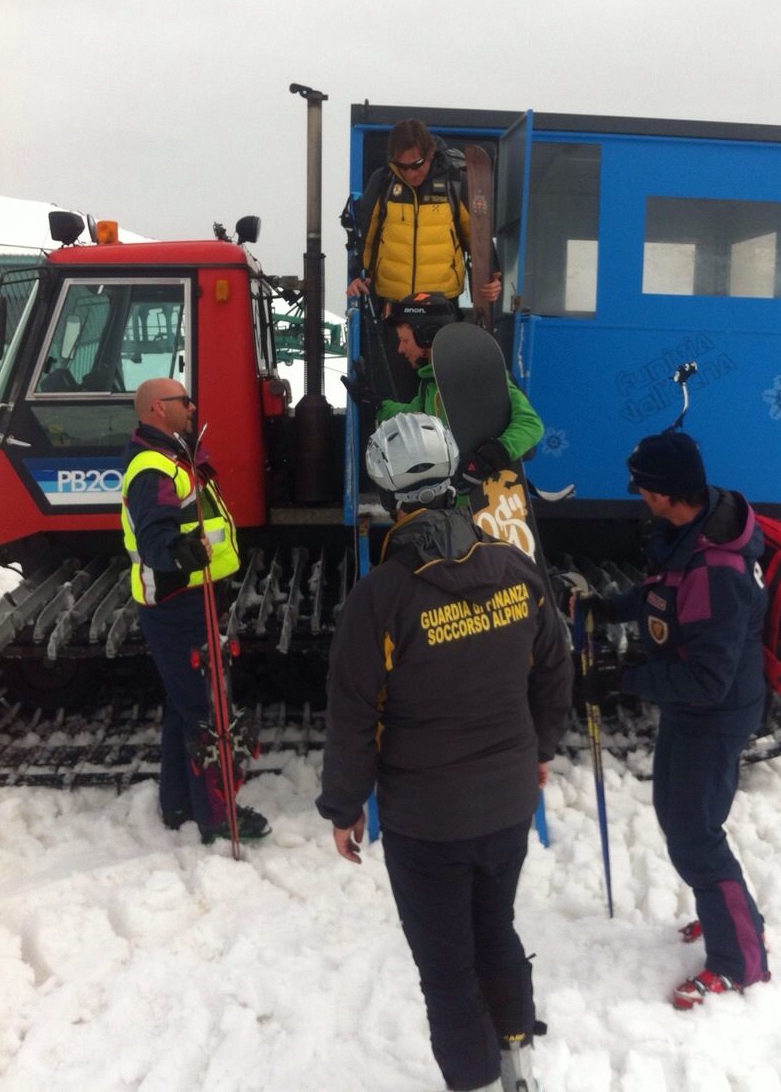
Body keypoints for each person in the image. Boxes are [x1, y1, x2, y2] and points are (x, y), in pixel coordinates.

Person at [316, 413, 573, 1092]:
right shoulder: (514, 566)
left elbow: (351, 717)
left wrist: (343, 806)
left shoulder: (381, 599)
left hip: (427, 822)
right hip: (508, 798)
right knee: (497, 928)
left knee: (447, 967)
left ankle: (478, 1080)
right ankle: (518, 1060)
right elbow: (555, 666)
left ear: (390, 497)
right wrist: (541, 746)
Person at [587, 430, 770, 1009]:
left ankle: (740, 960)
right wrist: (607, 607)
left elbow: (708, 681)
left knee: (696, 834)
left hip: (714, 715)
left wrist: (622, 680)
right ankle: (723, 912)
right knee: (681, 819)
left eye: (641, 484)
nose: (636, 492)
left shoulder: (716, 569)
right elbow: (658, 594)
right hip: (690, 711)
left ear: (666, 492)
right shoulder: (688, 531)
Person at [121, 378, 270, 845]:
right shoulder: (153, 467)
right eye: (184, 400)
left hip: (190, 595)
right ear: (157, 409)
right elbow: (154, 537)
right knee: (206, 711)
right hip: (177, 601)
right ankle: (216, 817)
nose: (192, 405)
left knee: (184, 705)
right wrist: (181, 552)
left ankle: (179, 803)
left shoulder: (174, 456)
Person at [343, 292, 544, 482]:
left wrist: (490, 458)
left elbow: (530, 425)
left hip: (482, 501)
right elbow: (412, 416)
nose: (400, 349)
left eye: (404, 340)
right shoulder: (430, 384)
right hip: (449, 500)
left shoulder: (479, 372)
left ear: (427, 335)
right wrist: (374, 404)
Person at [346, 118, 502, 306]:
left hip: (442, 302)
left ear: (430, 153)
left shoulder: (454, 181)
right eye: (402, 166)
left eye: (417, 164)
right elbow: (365, 237)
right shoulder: (382, 181)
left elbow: (477, 238)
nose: (411, 173)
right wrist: (357, 275)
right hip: (393, 302)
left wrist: (492, 277)